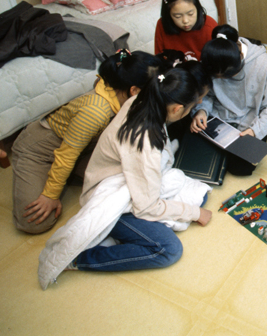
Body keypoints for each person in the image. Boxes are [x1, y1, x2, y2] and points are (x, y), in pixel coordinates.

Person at [67, 62, 212, 273]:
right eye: (192, 106)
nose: (196, 105)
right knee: (169, 249)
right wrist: (194, 213)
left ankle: (134, 233)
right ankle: (83, 259)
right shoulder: (145, 144)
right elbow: (146, 206)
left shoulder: (143, 99)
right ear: (177, 108)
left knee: (199, 195)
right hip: (110, 200)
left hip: (127, 178)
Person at [11, 50, 162, 234]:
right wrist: (50, 194)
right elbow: (66, 155)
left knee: (127, 180)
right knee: (36, 222)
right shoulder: (95, 112)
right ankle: (62, 177)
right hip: (40, 150)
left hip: (85, 147)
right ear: (134, 91)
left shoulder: (118, 85)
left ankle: (71, 176)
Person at [190, 25, 267, 175]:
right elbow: (206, 94)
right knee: (194, 155)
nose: (222, 80)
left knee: (241, 168)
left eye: (227, 75)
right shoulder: (210, 61)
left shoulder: (265, 65)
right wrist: (201, 110)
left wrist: (255, 131)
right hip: (218, 117)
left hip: (250, 121)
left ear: (240, 55)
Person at [154, 0, 218, 60]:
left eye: (190, 14)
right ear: (168, 15)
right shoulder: (162, 25)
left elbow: (218, 61)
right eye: (178, 16)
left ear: (197, 9)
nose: (185, 21)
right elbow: (159, 59)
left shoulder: (209, 25)